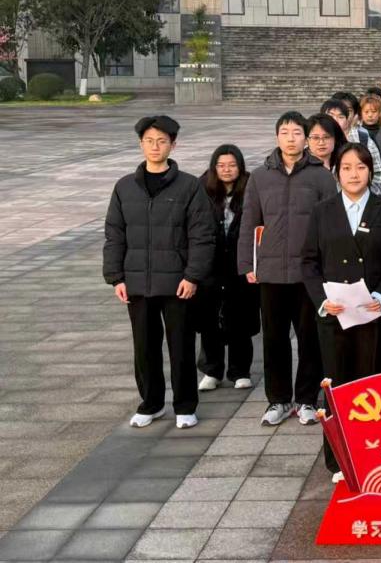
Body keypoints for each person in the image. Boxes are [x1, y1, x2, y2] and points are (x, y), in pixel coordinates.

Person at [103, 115, 215, 429]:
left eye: (162, 141)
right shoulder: (125, 187)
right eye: (149, 141)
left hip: (178, 283)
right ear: (141, 144)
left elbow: (202, 234)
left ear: (173, 145)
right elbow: (114, 234)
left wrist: (193, 276)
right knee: (144, 348)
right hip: (137, 282)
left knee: (181, 347)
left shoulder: (189, 186)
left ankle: (185, 406)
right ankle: (151, 404)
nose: (155, 147)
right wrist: (116, 277)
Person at [301, 143, 381, 482]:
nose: (353, 174)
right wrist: (322, 299)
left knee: (370, 384)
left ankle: (370, 454)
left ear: (370, 171)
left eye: (360, 167)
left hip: (372, 313)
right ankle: (339, 461)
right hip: (335, 313)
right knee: (337, 385)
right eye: (346, 167)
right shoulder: (322, 211)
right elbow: (309, 262)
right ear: (337, 173)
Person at [238, 112, 339, 427]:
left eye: (297, 132)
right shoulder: (260, 177)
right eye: (285, 132)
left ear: (305, 139)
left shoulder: (321, 176)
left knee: (310, 339)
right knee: (274, 339)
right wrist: (247, 263)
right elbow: (249, 221)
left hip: (308, 274)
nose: (291, 138)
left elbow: (332, 225)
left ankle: (306, 398)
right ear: (277, 137)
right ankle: (278, 399)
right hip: (270, 271)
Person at [197, 145, 261, 392]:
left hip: (240, 264)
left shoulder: (251, 188)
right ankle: (211, 370)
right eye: (221, 165)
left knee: (240, 319)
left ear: (240, 167)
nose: (226, 170)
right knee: (209, 319)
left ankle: (240, 370)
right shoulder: (202, 189)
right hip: (211, 265)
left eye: (232, 165)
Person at [322, 97, 381, 195]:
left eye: (341, 116)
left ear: (351, 117)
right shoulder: (315, 142)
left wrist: (365, 198)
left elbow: (378, 174)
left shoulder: (363, 139)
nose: (335, 120)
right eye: (331, 115)